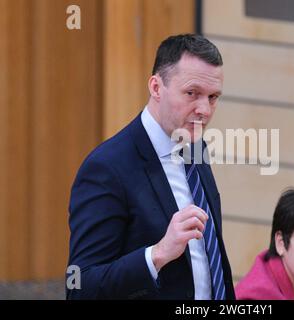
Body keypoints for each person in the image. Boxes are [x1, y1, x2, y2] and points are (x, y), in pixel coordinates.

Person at [66, 34, 235, 300]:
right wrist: (157, 254)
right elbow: (80, 287)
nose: (204, 109)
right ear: (156, 88)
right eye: (192, 93)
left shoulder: (195, 145)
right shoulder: (106, 167)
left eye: (213, 97)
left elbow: (208, 260)